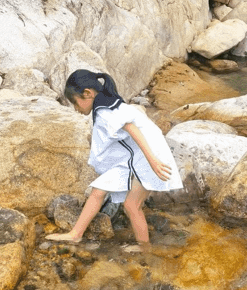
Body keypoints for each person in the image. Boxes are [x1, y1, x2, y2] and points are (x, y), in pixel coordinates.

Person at [46, 69, 183, 250]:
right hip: (133, 155)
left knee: (132, 205)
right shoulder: (105, 104)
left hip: (149, 154)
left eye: (75, 102)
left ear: (87, 93)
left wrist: (153, 161)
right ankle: (75, 234)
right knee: (98, 190)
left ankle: (145, 248)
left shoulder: (105, 111)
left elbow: (132, 129)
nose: (76, 109)